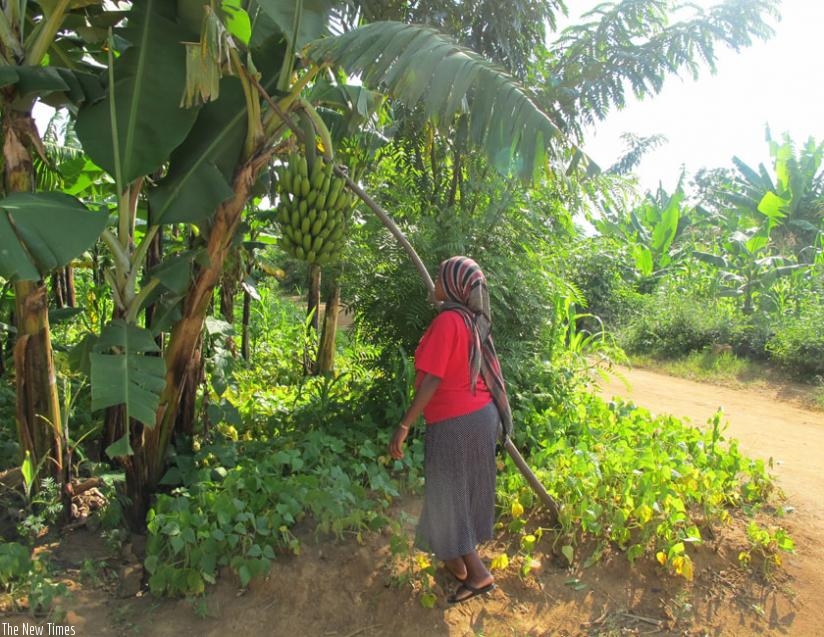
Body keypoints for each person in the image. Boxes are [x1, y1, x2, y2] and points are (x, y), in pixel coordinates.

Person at [389, 256, 513, 605]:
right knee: (457, 492)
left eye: (441, 278)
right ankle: (454, 561)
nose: (436, 283)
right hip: (480, 416)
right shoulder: (471, 320)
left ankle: (478, 574)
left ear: (455, 287)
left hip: (457, 422)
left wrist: (404, 424)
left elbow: (433, 378)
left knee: (449, 497)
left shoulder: (448, 321)